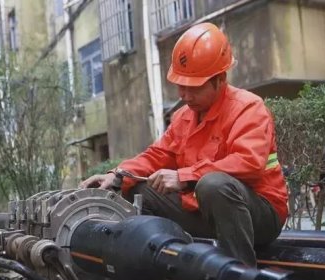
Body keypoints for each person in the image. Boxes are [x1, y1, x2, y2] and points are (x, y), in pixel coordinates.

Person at [80, 23, 288, 267]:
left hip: (260, 215)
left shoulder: (248, 108)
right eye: (180, 86)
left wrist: (185, 176)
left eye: (194, 88)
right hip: (205, 209)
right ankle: (168, 272)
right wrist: (116, 177)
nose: (185, 95)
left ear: (220, 79)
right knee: (137, 191)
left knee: (214, 184)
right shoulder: (183, 117)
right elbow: (156, 156)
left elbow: (249, 162)